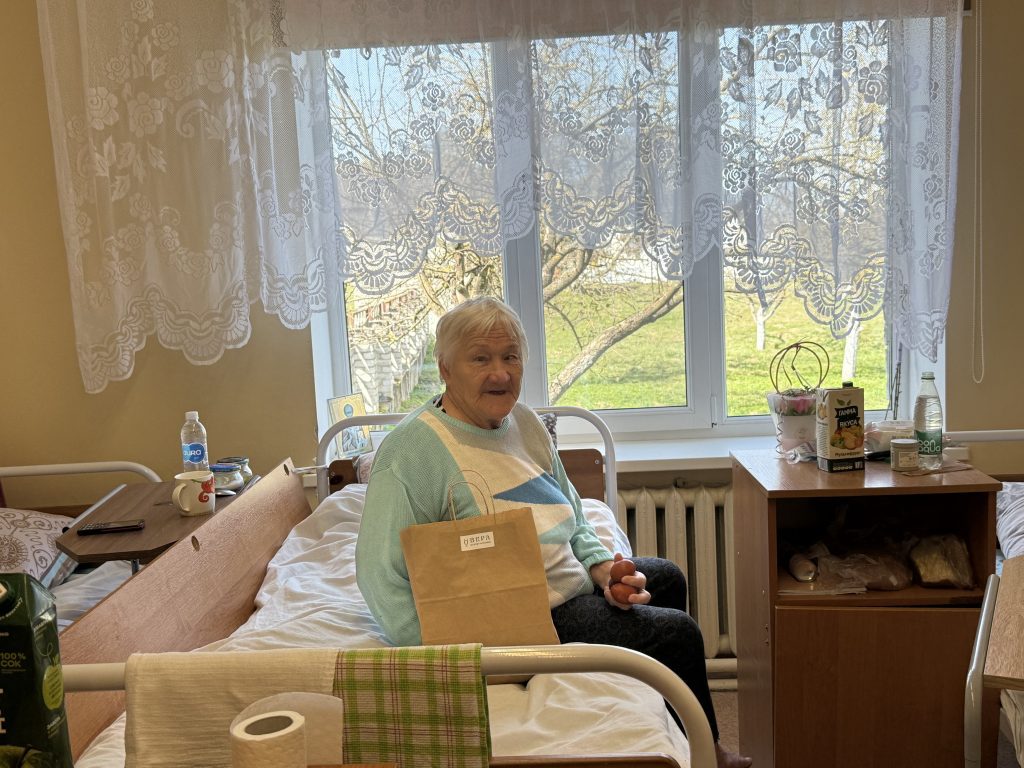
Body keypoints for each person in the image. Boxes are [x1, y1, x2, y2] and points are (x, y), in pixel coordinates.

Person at [355, 297, 752, 768]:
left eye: (511, 357)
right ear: (445, 369)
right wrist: (450, 656)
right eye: (480, 359)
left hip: (563, 582)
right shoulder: (413, 452)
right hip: (522, 615)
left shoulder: (524, 423)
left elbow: (572, 512)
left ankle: (681, 732)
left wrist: (603, 569)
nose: (500, 373)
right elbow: (378, 573)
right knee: (677, 634)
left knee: (667, 576)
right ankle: (710, 755)